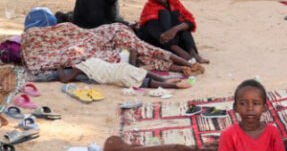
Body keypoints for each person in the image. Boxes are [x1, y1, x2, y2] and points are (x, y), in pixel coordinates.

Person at [20, 22, 194, 73]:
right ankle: (186, 66)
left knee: (146, 52)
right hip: (105, 39)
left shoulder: (123, 39)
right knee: (144, 56)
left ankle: (188, 65)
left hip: (109, 36)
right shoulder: (121, 35)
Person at [217, 79, 286, 151]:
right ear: (235, 107)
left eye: (256, 103)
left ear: (264, 108)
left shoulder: (273, 132)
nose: (250, 108)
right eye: (243, 104)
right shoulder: (228, 135)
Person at [137, 0, 208, 64]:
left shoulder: (173, 2)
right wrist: (185, 55)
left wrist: (175, 29)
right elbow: (161, 36)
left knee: (180, 19)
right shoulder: (150, 7)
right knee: (164, 14)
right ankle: (185, 55)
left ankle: (193, 53)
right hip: (156, 41)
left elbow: (190, 21)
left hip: (172, 36)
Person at [57, 56, 192, 90]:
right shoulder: (94, 60)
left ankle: (174, 86)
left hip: (118, 76)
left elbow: (64, 80)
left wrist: (59, 68)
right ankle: (164, 81)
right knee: (141, 72)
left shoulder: (80, 67)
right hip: (121, 67)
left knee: (145, 83)